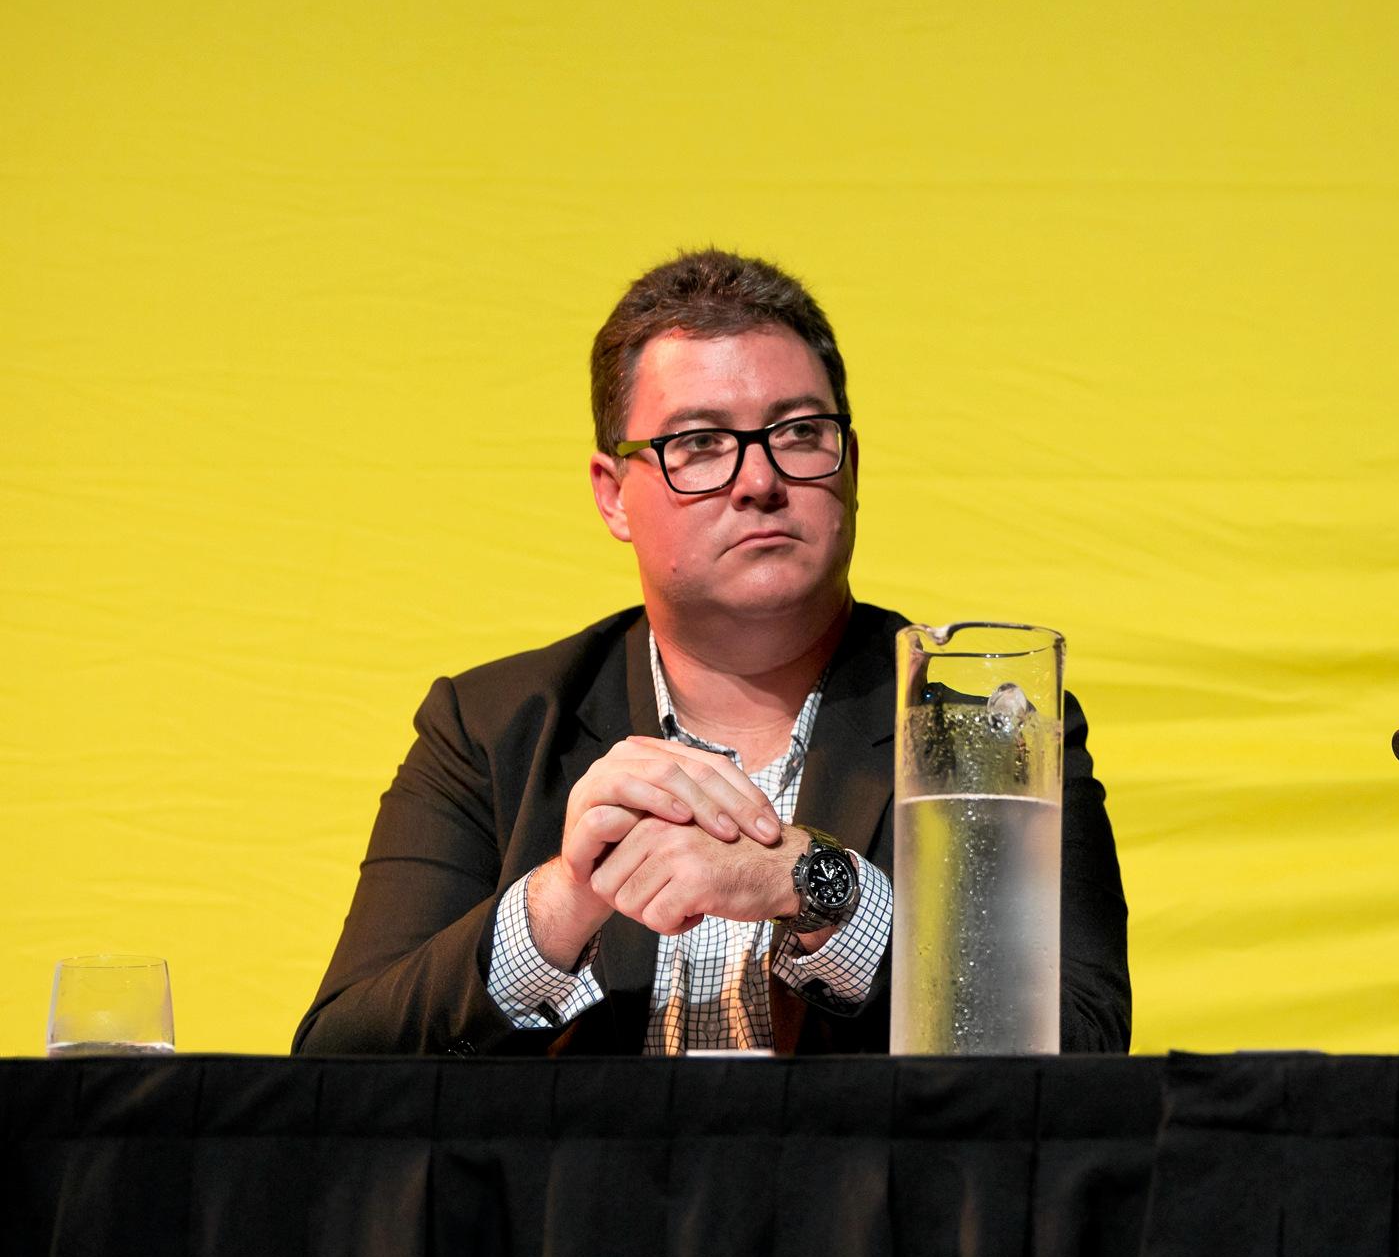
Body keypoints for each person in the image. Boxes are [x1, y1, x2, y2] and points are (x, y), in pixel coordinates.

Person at [296, 249, 1131, 1055]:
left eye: (800, 431)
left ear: (852, 466)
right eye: (698, 444)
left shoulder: (985, 729)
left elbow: (1081, 1047)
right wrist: (564, 901)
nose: (758, 479)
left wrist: (816, 884)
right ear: (612, 493)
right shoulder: (489, 729)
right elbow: (336, 1064)